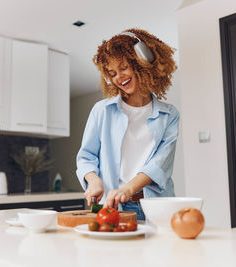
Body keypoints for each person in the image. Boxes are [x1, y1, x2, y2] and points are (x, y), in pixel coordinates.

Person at [76, 28, 179, 220]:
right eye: (112, 73)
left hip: (155, 206)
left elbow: (159, 165)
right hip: (113, 207)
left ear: (141, 62)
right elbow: (86, 156)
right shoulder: (102, 111)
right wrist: (93, 180)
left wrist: (127, 189)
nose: (119, 77)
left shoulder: (169, 114)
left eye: (123, 68)